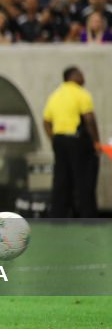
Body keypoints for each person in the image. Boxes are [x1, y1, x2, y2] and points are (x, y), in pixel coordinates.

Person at [43, 67, 102, 218]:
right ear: (73, 76)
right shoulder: (81, 94)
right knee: (84, 180)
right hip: (78, 141)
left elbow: (46, 122)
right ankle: (87, 216)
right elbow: (89, 119)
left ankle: (58, 216)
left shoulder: (55, 95)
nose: (83, 77)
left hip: (59, 140)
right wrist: (96, 142)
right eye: (81, 74)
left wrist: (54, 139)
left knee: (61, 181)